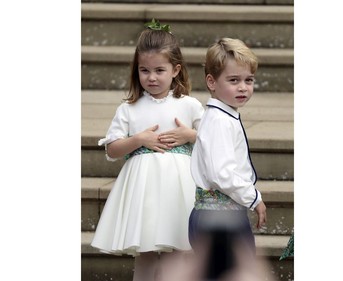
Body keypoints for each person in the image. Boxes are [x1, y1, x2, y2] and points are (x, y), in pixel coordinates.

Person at [91, 19, 205, 281]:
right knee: (146, 250)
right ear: (136, 70)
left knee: (178, 247)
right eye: (144, 70)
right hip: (143, 191)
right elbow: (112, 149)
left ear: (175, 70)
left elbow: (213, 140)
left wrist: (190, 135)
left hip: (179, 187)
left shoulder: (189, 105)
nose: (151, 77)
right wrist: (139, 139)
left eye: (159, 70)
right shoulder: (129, 108)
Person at [188, 38, 267, 280]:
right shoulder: (220, 121)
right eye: (234, 81)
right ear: (211, 82)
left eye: (248, 80)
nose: (243, 87)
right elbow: (222, 173)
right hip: (220, 218)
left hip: (220, 214)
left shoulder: (223, 116)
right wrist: (253, 198)